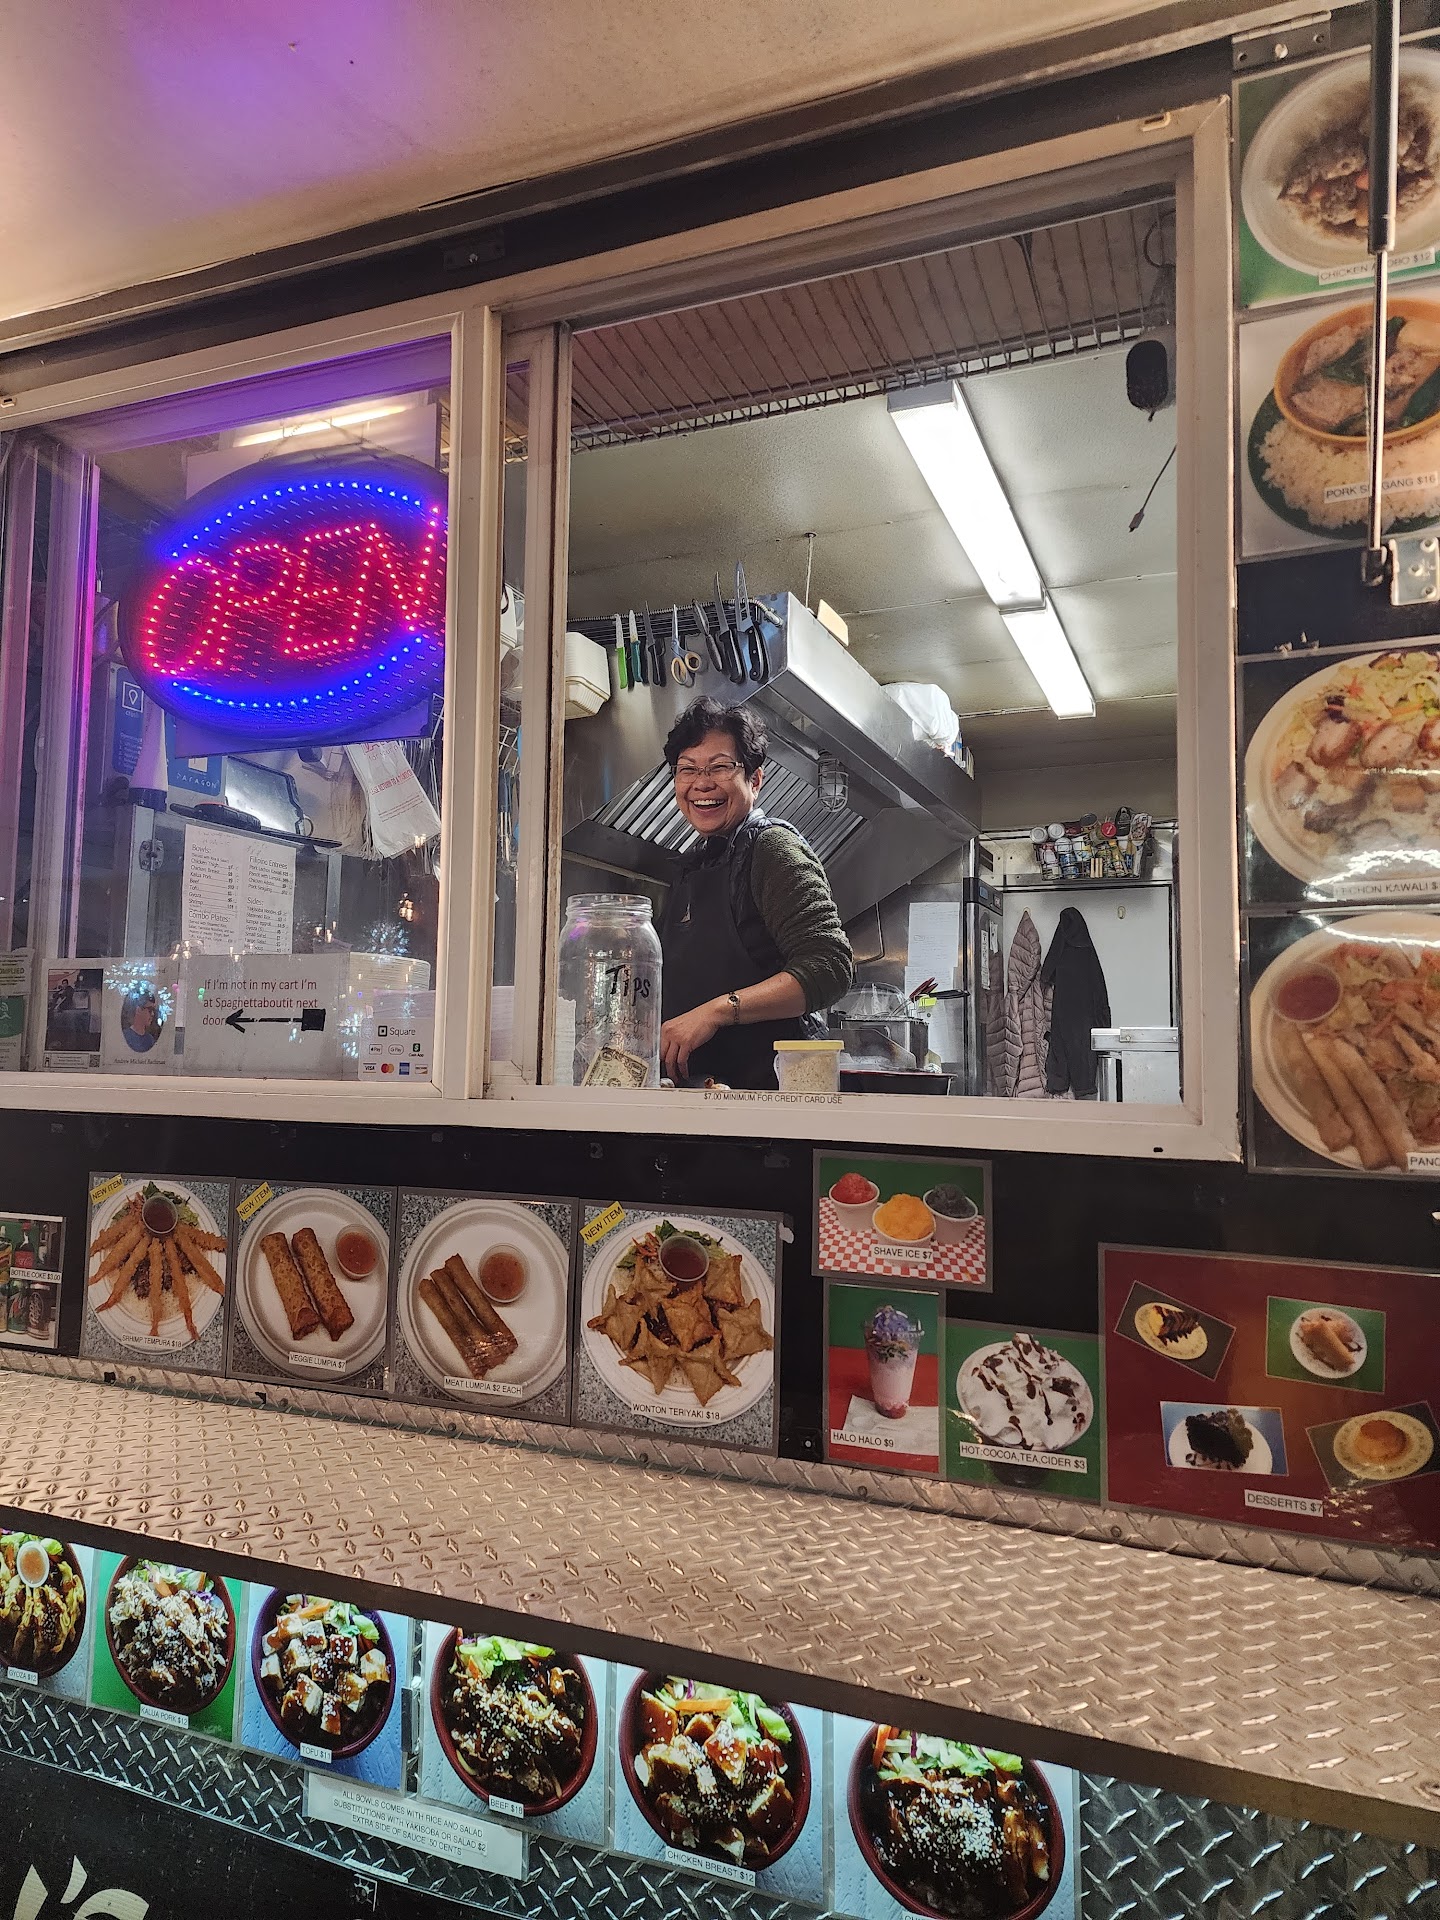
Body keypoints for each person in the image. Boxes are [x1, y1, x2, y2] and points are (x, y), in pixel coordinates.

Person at [658, 695, 853, 1087]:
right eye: (687, 769)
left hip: (770, 1097)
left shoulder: (771, 849)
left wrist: (716, 1012)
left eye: (719, 767)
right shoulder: (693, 865)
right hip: (702, 1096)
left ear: (755, 779)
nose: (701, 783)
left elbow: (830, 966)